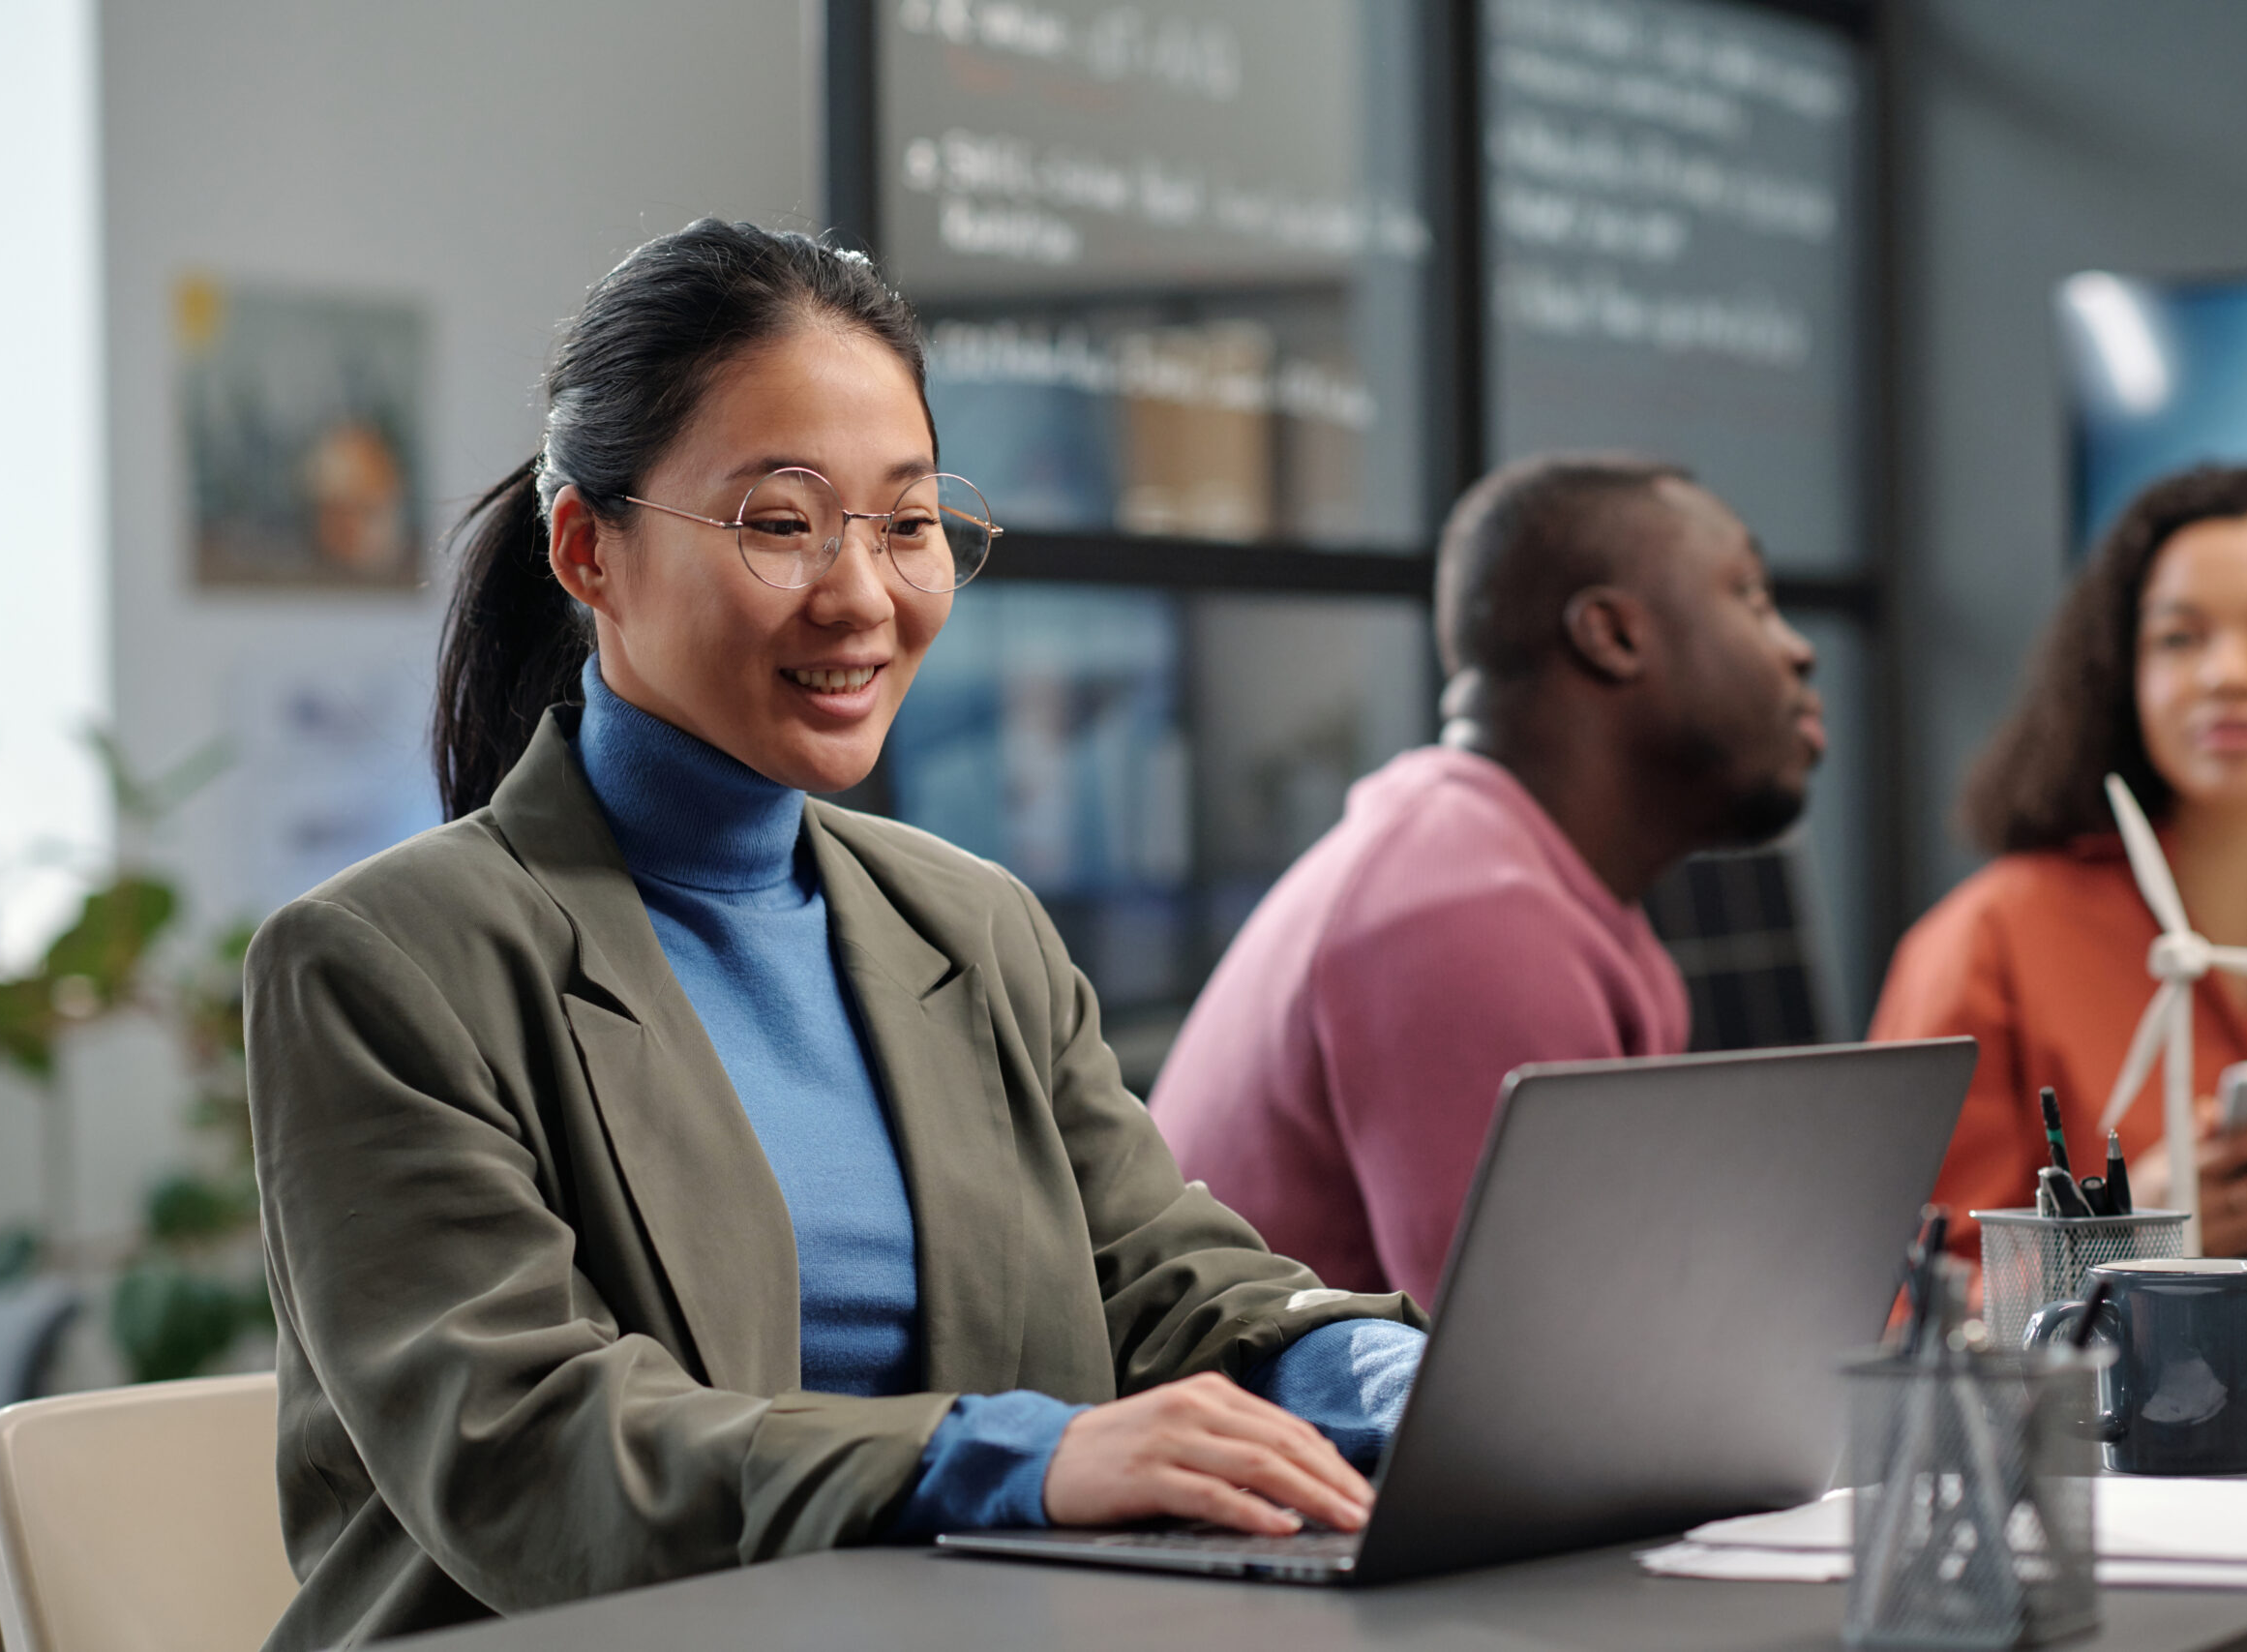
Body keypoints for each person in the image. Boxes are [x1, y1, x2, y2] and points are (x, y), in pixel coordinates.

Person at [244, 221, 1427, 1650]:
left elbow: (1166, 1276)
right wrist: (1006, 1460)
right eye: (781, 520)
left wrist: (1376, 1370)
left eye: (909, 522)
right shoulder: (383, 962)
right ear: (586, 550)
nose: (862, 594)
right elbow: (527, 1444)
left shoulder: (974, 925)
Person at [1149, 455, 1824, 1304]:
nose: (1798, 650)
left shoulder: (1509, 873)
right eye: (1751, 597)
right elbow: (1533, 1386)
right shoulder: (1457, 911)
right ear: (1613, 635)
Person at [1872, 465, 2247, 1260]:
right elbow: (1896, 1293)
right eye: (2179, 638)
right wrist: (2111, 1246)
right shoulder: (1990, 939)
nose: (2227, 676)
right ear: (2125, 678)